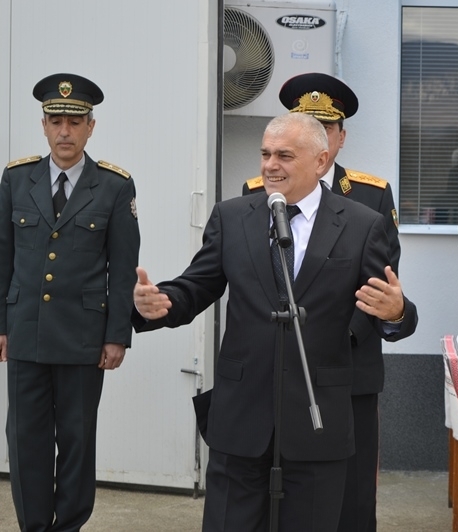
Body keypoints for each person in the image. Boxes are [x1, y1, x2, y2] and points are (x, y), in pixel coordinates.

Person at [133, 112, 418, 532]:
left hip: (317, 421)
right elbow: (198, 284)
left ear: (321, 160)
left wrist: (396, 312)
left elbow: (389, 310)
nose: (270, 165)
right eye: (265, 154)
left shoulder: (361, 224)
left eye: (284, 155)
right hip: (241, 416)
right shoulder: (232, 216)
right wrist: (162, 302)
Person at [242, 72, 401, 532]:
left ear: (339, 139)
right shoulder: (259, 191)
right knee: (277, 489)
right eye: (305, 124)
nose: (316, 133)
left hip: (346, 364)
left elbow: (379, 283)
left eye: (325, 127)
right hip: (277, 368)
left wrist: (334, 341)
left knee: (351, 495)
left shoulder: (371, 194)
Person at [0, 73, 140, 530]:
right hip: (25, 331)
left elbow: (122, 268)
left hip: (83, 338)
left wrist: (117, 335)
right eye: (56, 120)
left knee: (77, 441)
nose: (65, 131)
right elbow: (3, 257)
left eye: (75, 122)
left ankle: (69, 526)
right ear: (43, 125)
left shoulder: (115, 186)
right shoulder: (16, 179)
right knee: (25, 440)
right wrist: (1, 326)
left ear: (90, 127)